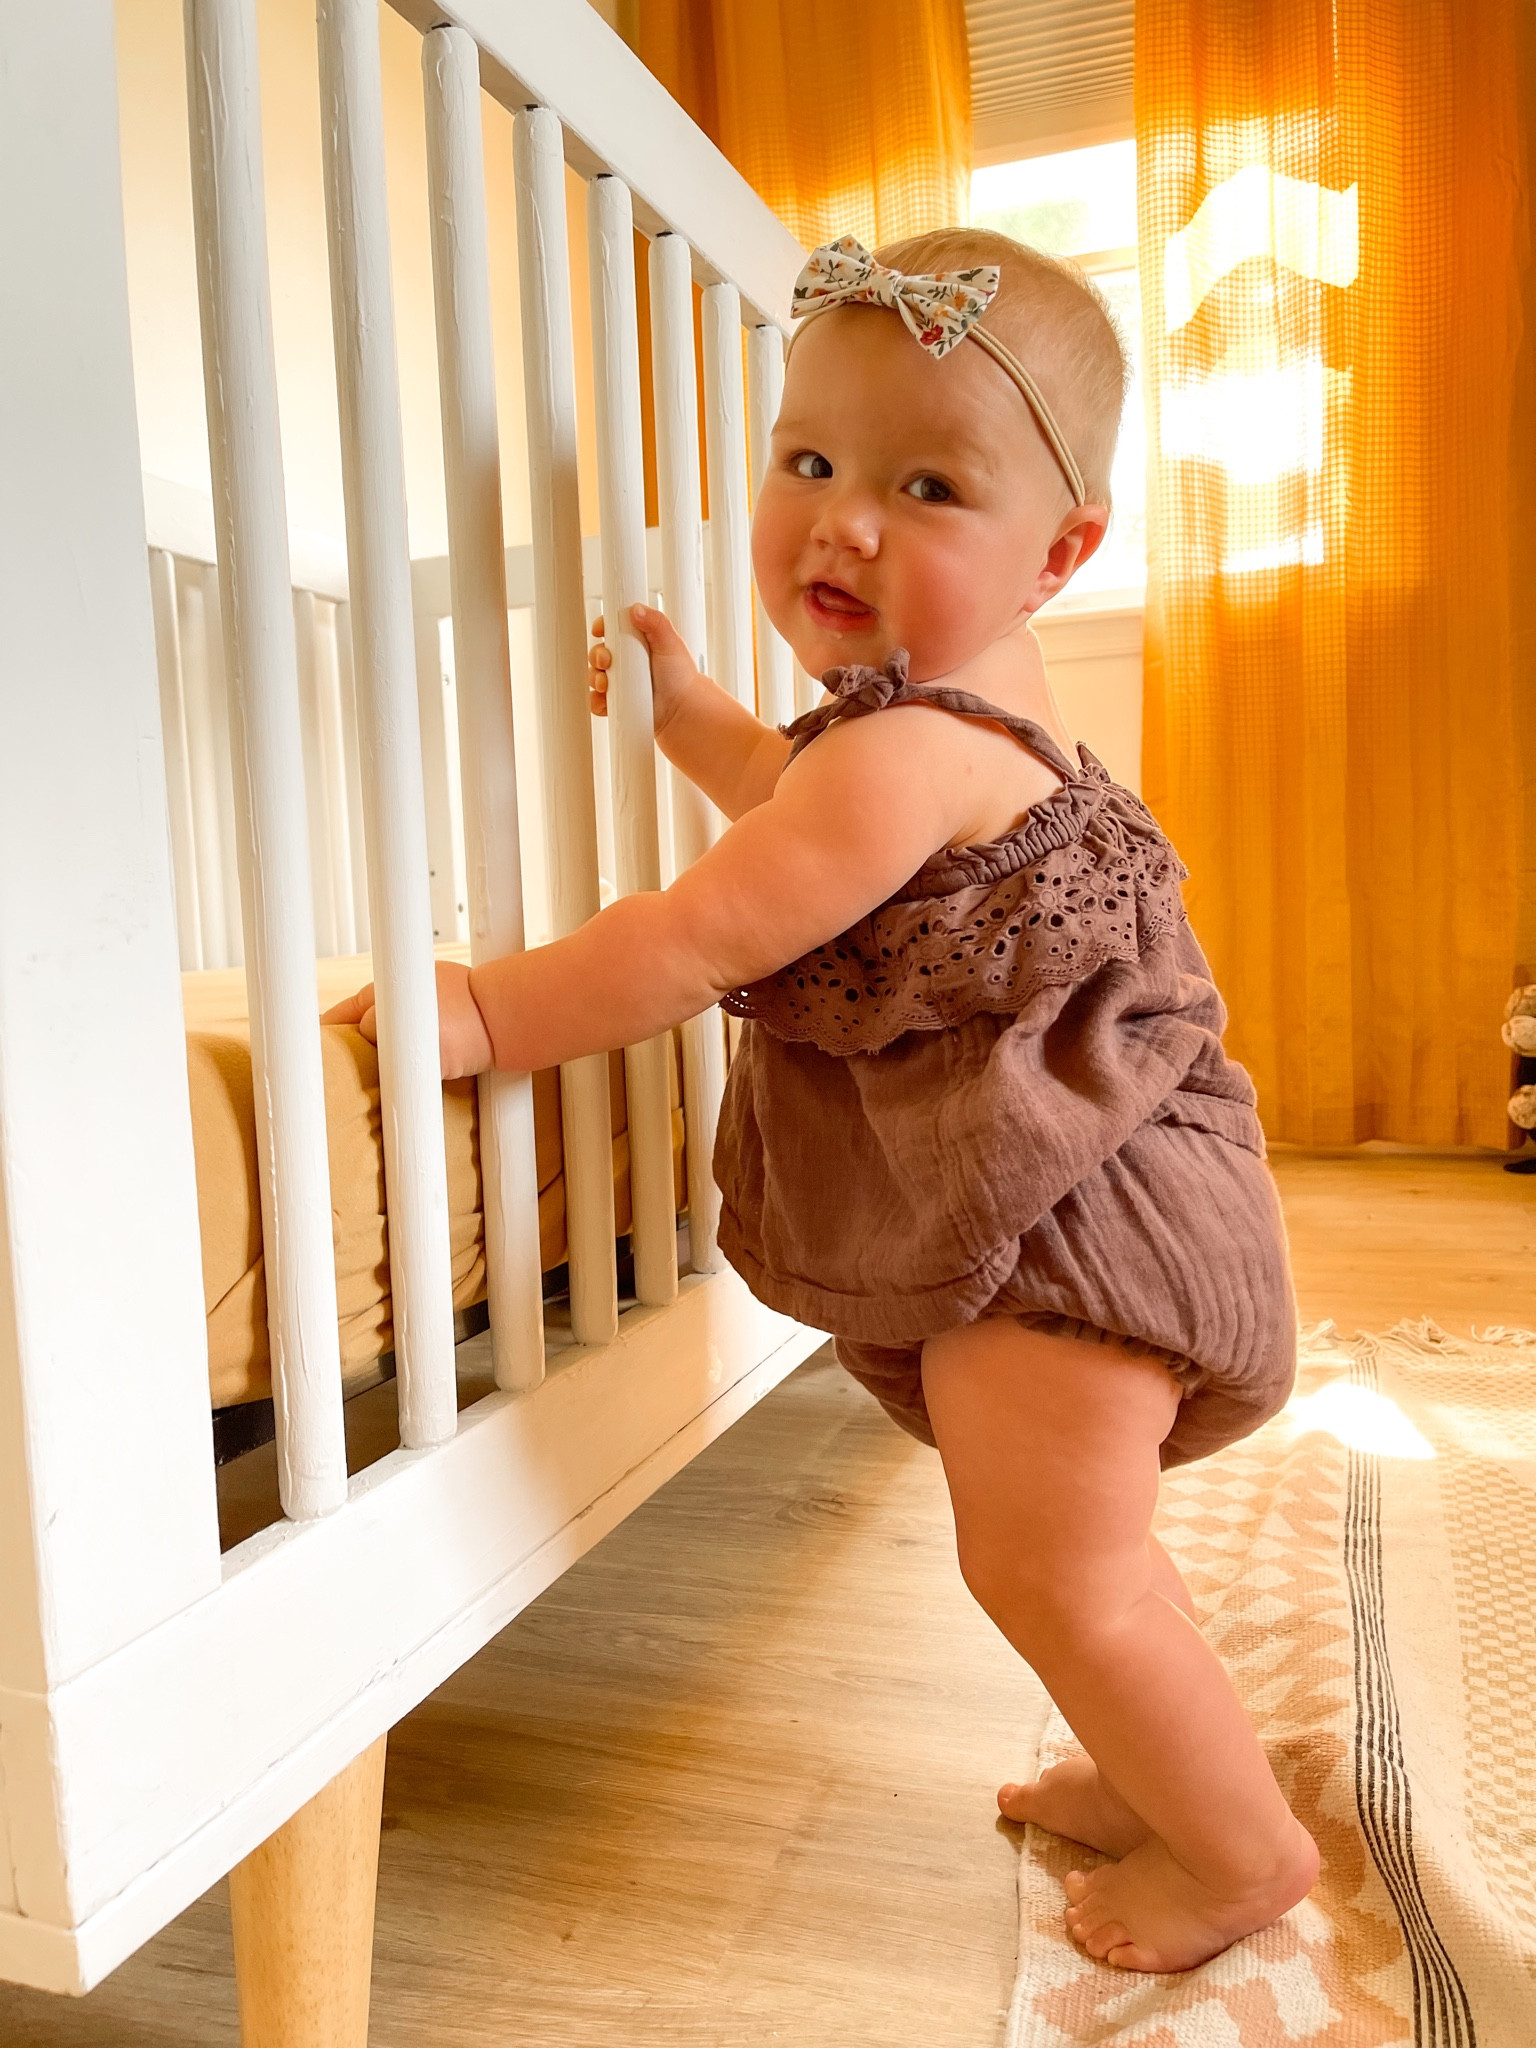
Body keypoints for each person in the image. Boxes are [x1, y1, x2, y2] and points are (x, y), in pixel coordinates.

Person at [325, 228, 1316, 1973]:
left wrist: (488, 1010)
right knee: (1086, 1554)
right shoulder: (958, 719)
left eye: (927, 485)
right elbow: (808, 808)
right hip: (1092, 1195)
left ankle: (1239, 1857)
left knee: (1052, 1573)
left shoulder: (905, 750)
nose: (844, 519)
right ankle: (1171, 1780)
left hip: (1059, 1228)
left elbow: (706, 927)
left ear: (1059, 553)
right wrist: (696, 715)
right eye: (812, 462)